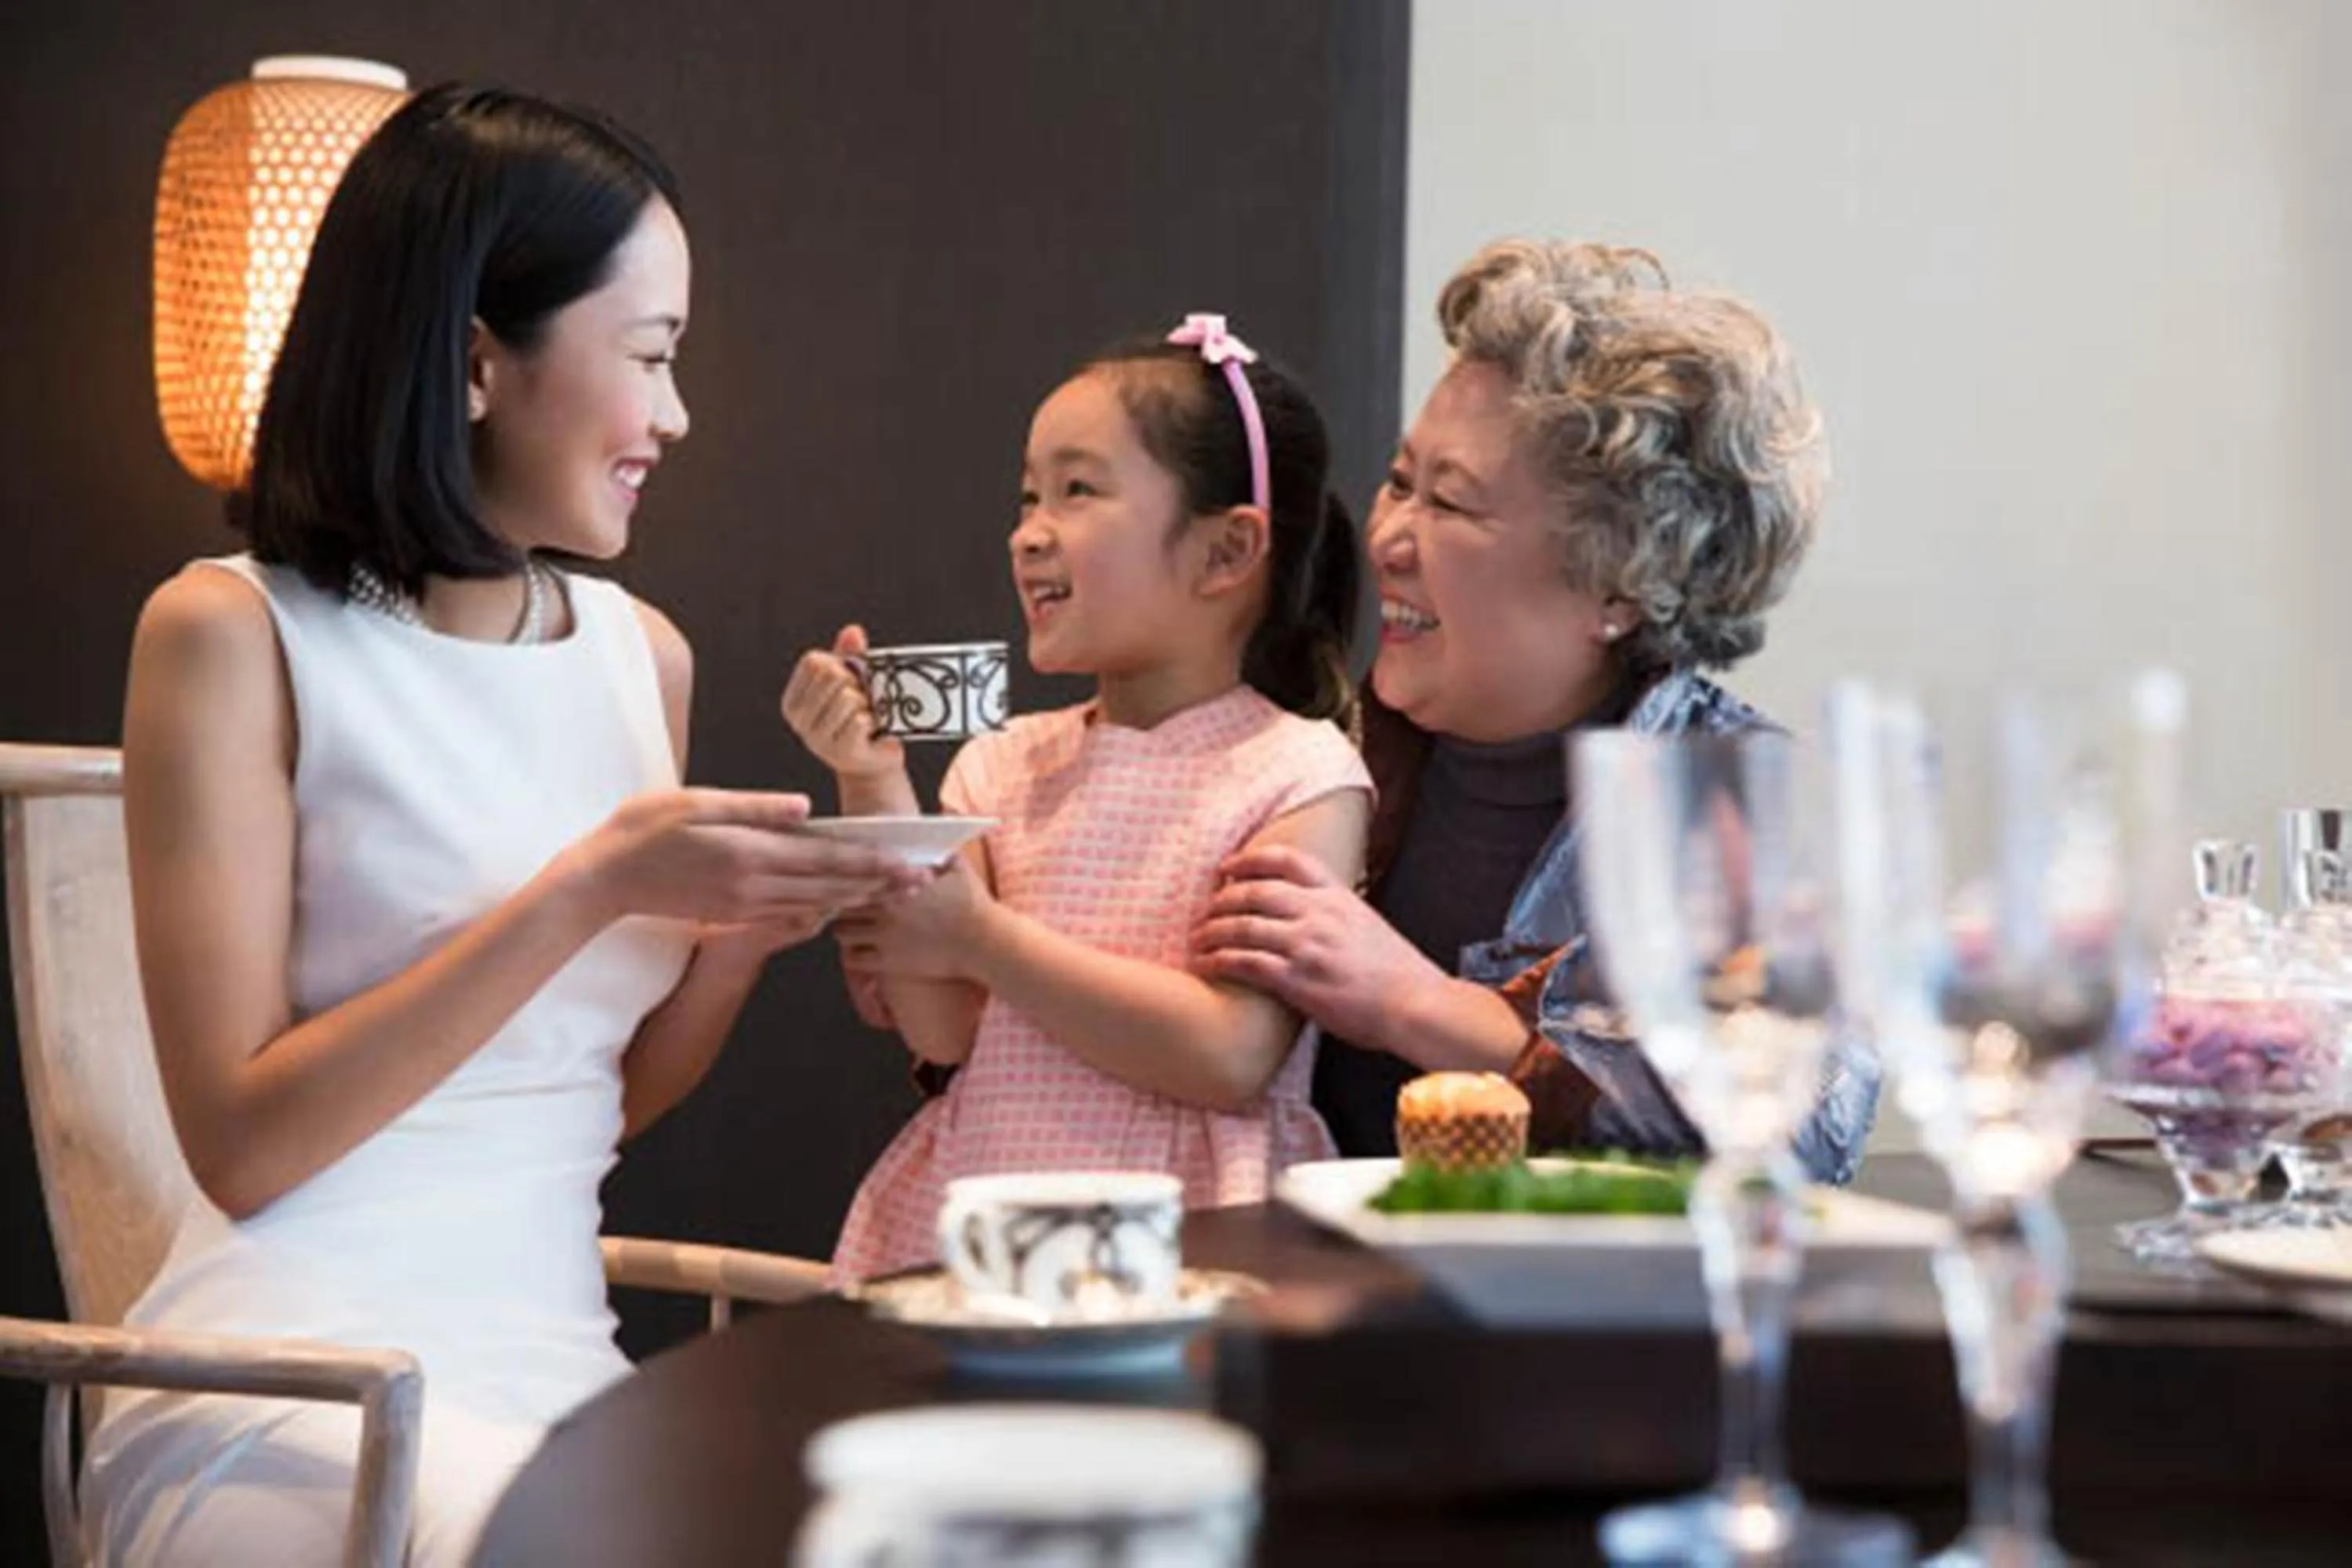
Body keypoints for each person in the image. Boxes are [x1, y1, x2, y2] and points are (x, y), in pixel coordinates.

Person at [81, 85, 920, 1566]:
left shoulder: (638, 654)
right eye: (650, 357)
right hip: (289, 1381)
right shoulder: (231, 637)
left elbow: (590, 1103)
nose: (676, 415)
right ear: (477, 360)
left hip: (554, 1379)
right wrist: (589, 889)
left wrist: (737, 938)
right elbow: (241, 1144)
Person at [1193, 241, 1880, 1180]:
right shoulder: (1306, 753)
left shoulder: (1732, 796)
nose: (1389, 538)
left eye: (1452, 503)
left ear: (1617, 584)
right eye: (1401, 481)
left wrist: (1415, 1003)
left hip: (1591, 1326)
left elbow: (1803, 1129)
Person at [784, 315, 1373, 1280]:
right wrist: (869, 770)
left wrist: (981, 936)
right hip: (987, 1208)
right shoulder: (1000, 765)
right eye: (1027, 495)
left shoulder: (1298, 772)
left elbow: (1230, 1053)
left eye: (1078, 490)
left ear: (1226, 552)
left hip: (1193, 1240)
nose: (1028, 532)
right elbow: (942, 1027)